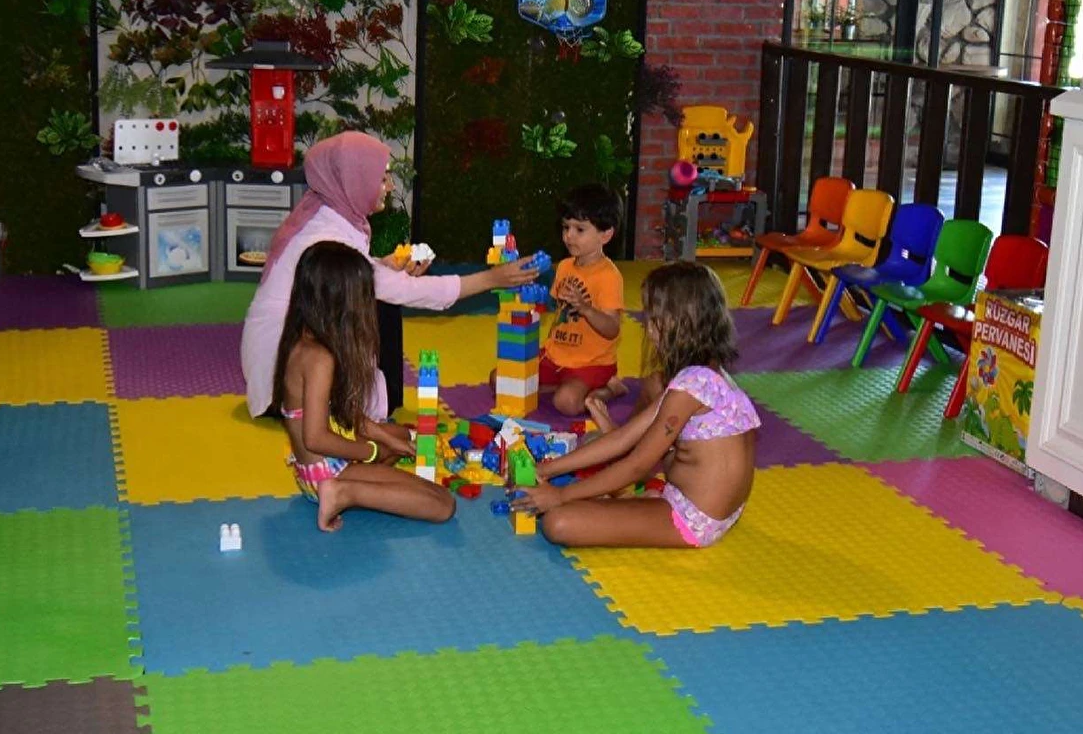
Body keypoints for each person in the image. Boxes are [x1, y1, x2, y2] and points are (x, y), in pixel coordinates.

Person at [241, 131, 538, 419]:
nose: (390, 187)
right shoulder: (327, 235)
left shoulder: (327, 211)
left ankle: (375, 391)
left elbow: (344, 275)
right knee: (383, 303)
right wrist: (492, 279)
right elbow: (403, 290)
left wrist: (384, 265)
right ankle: (386, 394)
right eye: (382, 178)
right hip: (286, 387)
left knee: (378, 297)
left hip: (282, 365)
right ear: (354, 181)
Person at [515, 262, 759, 548]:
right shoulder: (706, 375)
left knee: (558, 522)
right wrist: (547, 470)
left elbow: (637, 466)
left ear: (679, 324)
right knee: (600, 462)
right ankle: (630, 502)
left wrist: (560, 495)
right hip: (713, 507)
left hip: (693, 518)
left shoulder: (688, 388)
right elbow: (622, 438)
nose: (648, 328)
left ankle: (631, 505)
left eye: (653, 319)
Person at [273, 241, 456, 533]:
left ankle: (356, 484)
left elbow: (345, 414)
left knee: (398, 436)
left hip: (318, 467)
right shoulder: (319, 359)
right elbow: (316, 438)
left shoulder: (305, 341)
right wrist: (369, 452)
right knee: (443, 504)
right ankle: (344, 494)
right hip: (326, 473)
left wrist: (388, 441)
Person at [540, 184, 628, 416]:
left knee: (566, 403)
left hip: (592, 363)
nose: (568, 235)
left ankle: (609, 389)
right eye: (566, 227)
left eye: (579, 229)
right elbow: (553, 307)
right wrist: (529, 299)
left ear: (605, 235)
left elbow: (612, 329)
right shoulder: (564, 266)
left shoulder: (608, 276)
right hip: (554, 356)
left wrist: (585, 308)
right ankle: (562, 385)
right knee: (503, 380)